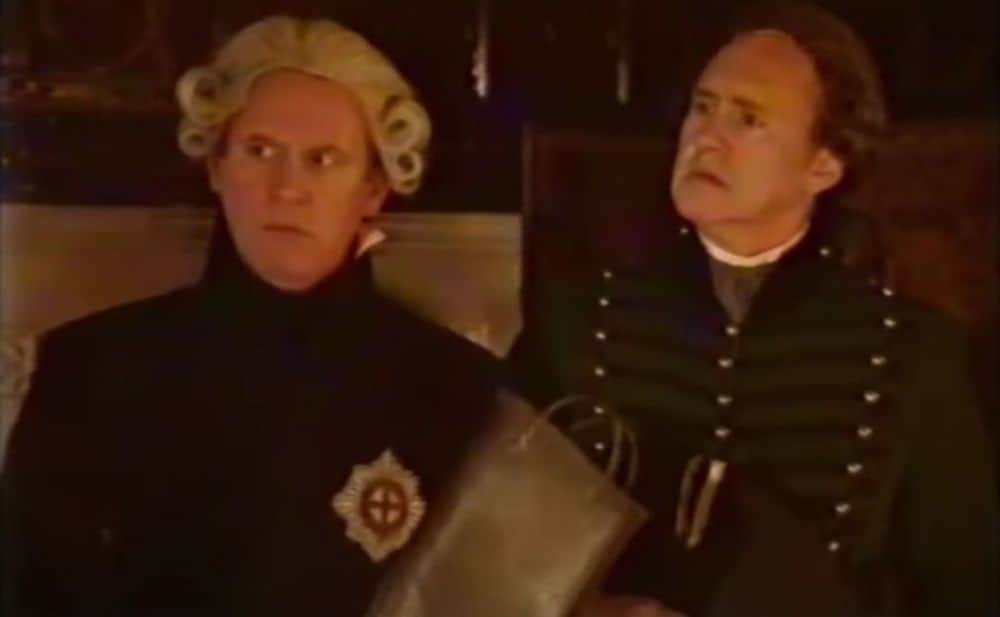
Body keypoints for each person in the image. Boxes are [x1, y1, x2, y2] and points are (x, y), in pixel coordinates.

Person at [1, 16, 500, 616]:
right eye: (260, 151)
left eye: (323, 160)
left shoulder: (459, 394)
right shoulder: (88, 372)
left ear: (373, 187)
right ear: (216, 165)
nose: (286, 188)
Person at [511, 3, 997, 616]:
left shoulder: (914, 355)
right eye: (703, 107)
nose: (706, 137)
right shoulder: (579, 319)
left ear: (824, 164)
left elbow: (968, 585)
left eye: (748, 119)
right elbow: (498, 551)